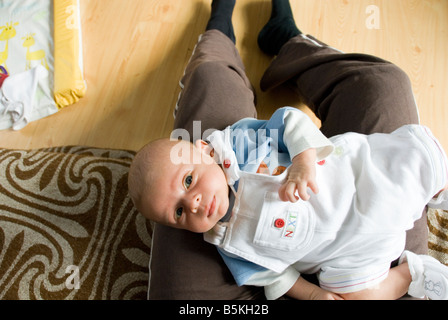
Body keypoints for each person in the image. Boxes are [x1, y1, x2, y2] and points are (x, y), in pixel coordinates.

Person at [130, 0, 446, 300]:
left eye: (187, 181)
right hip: (349, 253)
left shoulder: (235, 145)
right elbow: (271, 275)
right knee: (361, 295)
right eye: (179, 213)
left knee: (413, 159)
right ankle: (413, 274)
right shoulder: (227, 244)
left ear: (204, 150)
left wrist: (303, 160)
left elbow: (288, 122)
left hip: (358, 184)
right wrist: (311, 293)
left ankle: (225, 32)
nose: (194, 202)